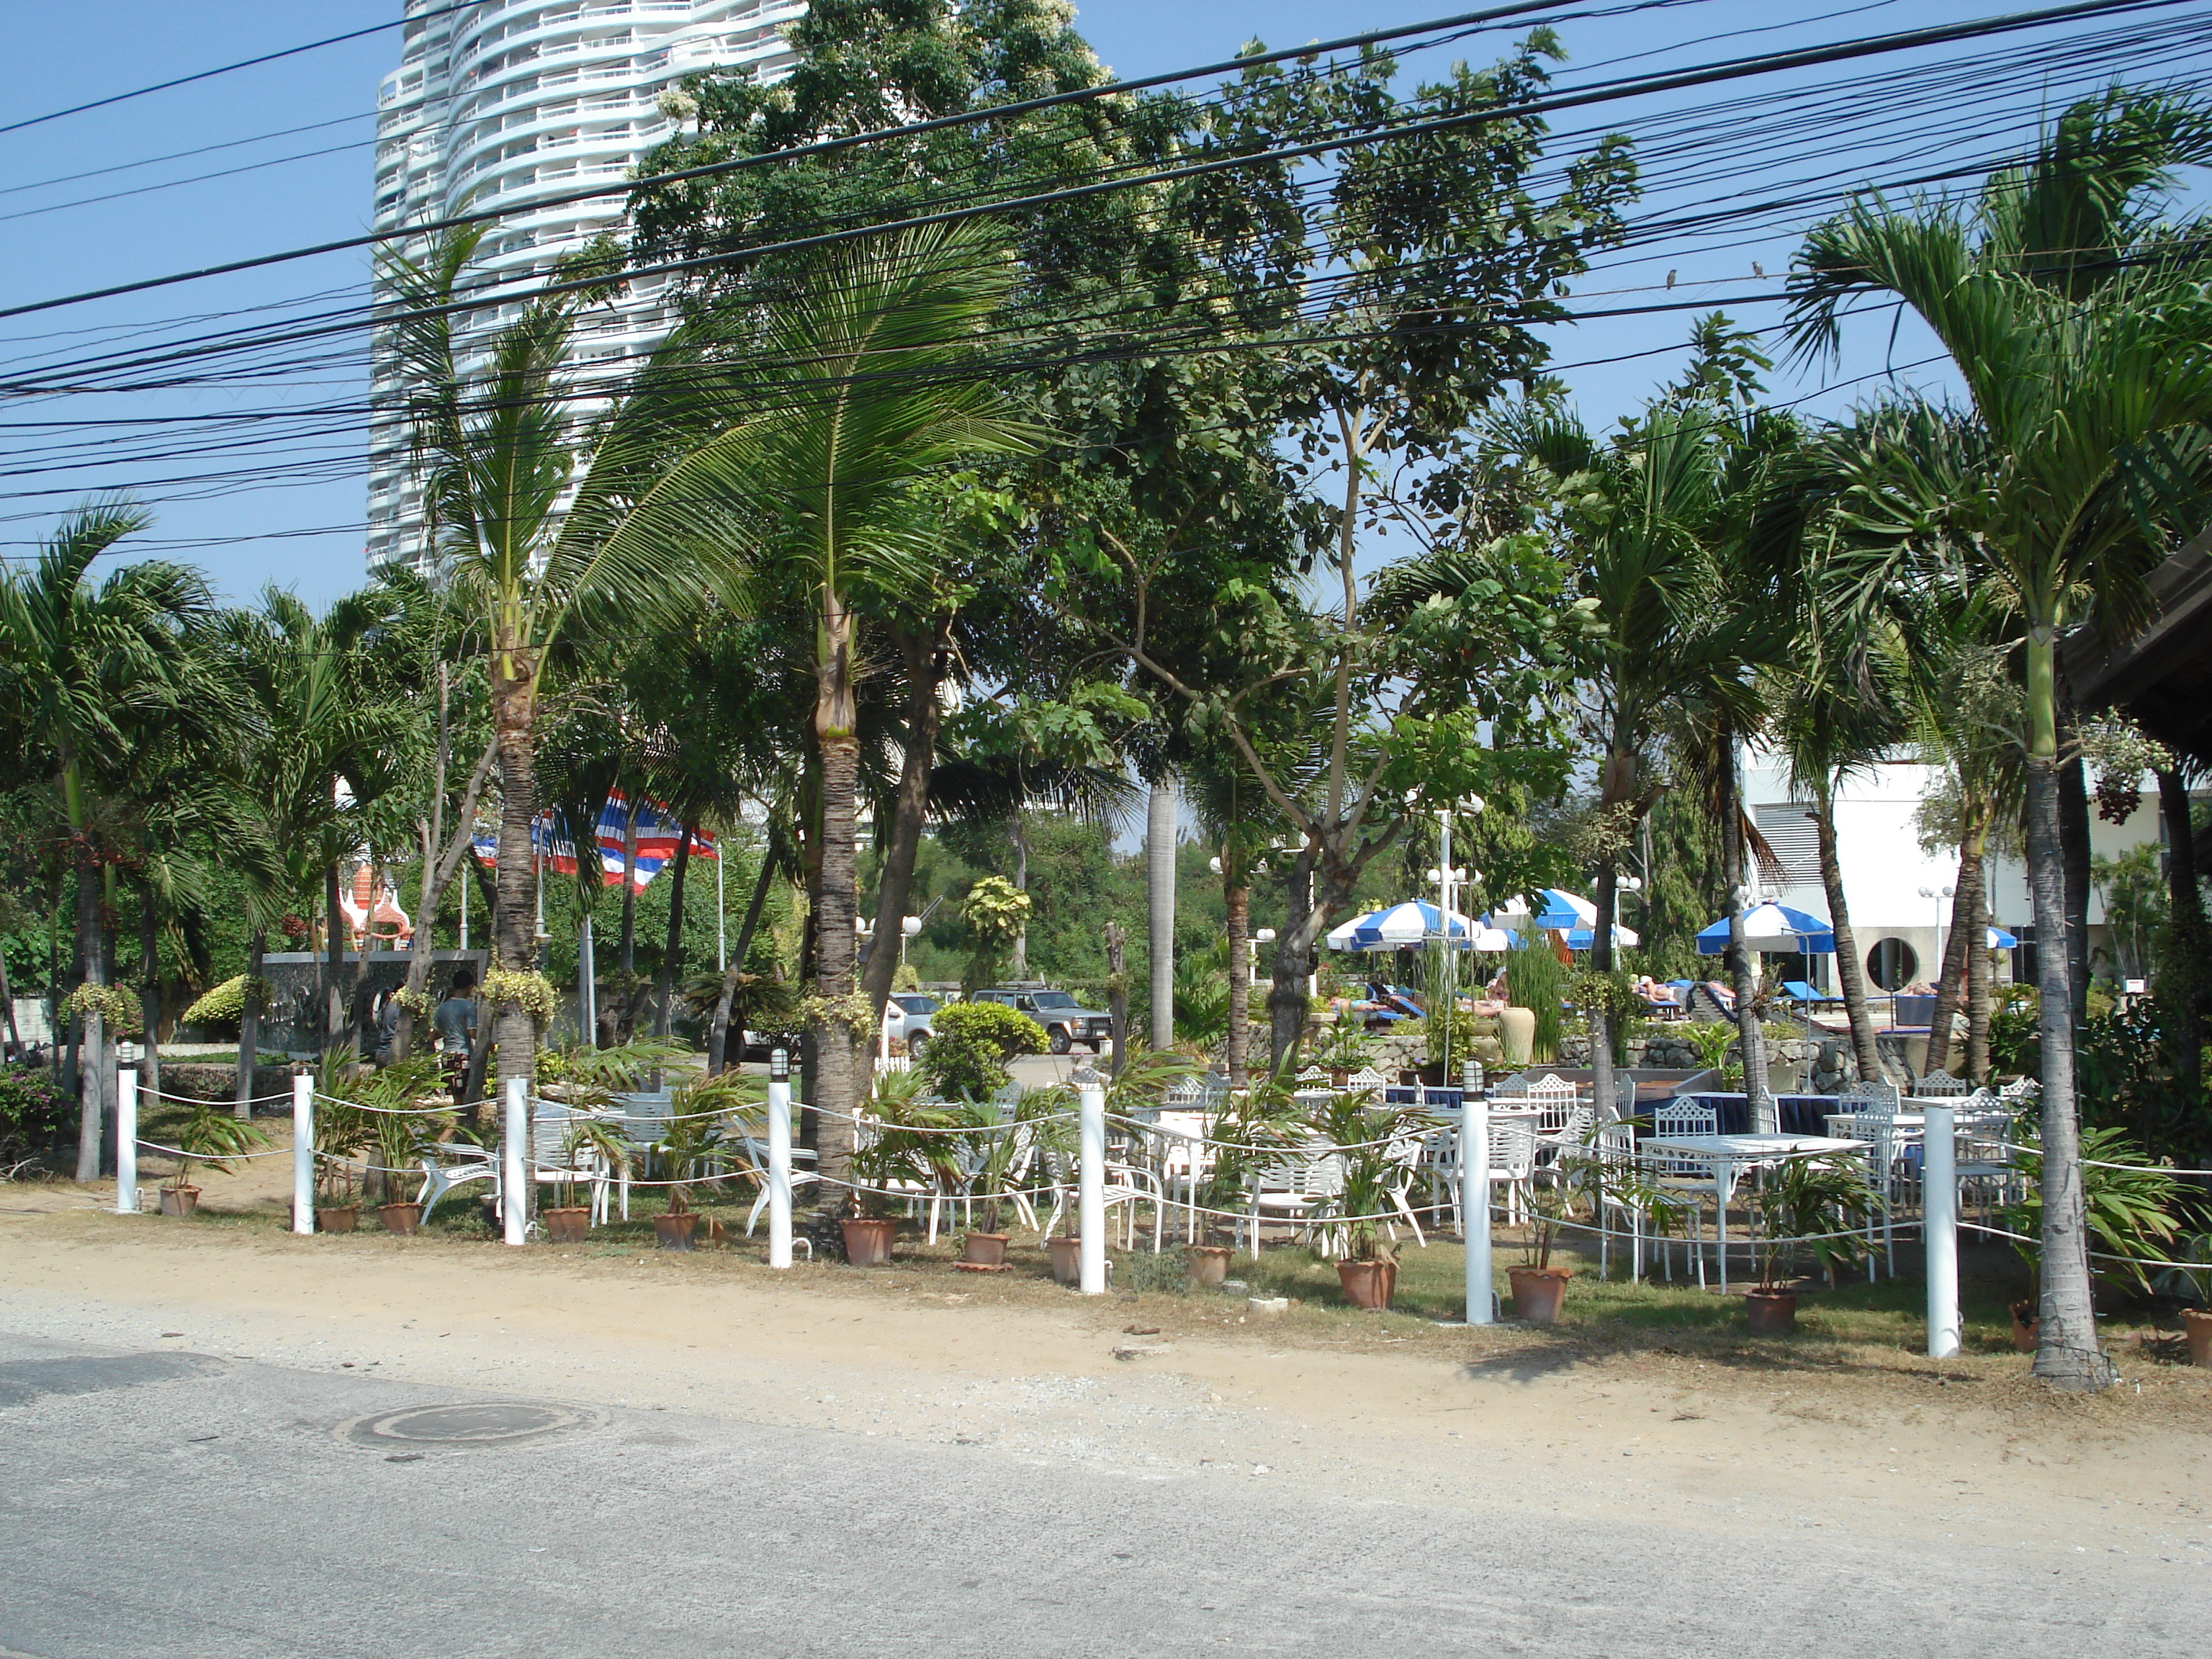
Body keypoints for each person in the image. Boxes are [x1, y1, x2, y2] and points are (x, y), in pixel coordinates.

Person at [433, 969, 478, 1096]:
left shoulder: (443, 1008)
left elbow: (435, 1034)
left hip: (447, 1055)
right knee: (464, 1093)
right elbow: (472, 1032)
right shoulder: (469, 1007)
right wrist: (487, 1042)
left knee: (454, 1093)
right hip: (463, 1055)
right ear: (469, 987)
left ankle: (457, 1115)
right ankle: (462, 1116)